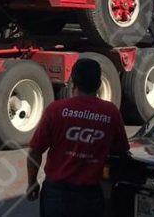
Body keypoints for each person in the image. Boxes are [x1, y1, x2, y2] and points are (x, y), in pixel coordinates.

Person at [26, 58, 129, 216]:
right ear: (99, 84)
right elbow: (121, 149)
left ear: (72, 82)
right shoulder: (111, 113)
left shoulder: (55, 110)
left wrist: (32, 183)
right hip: (90, 196)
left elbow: (35, 151)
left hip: (57, 195)